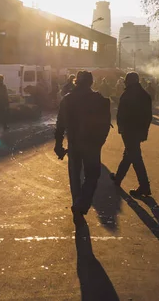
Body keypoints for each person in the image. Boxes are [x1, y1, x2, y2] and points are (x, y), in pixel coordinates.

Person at [54, 71, 111, 223]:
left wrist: (58, 144)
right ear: (91, 83)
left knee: (74, 175)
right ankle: (82, 203)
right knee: (92, 175)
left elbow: (60, 124)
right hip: (92, 143)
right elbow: (105, 124)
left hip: (74, 142)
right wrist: (100, 141)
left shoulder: (68, 99)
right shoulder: (99, 100)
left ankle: (77, 203)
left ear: (76, 82)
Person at [110, 72, 153, 196]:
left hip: (129, 130)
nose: (124, 82)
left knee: (135, 157)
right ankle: (118, 178)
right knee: (129, 154)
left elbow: (122, 113)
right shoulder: (145, 95)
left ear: (129, 81)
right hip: (138, 131)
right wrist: (144, 131)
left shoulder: (127, 94)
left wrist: (121, 127)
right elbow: (148, 116)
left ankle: (145, 186)